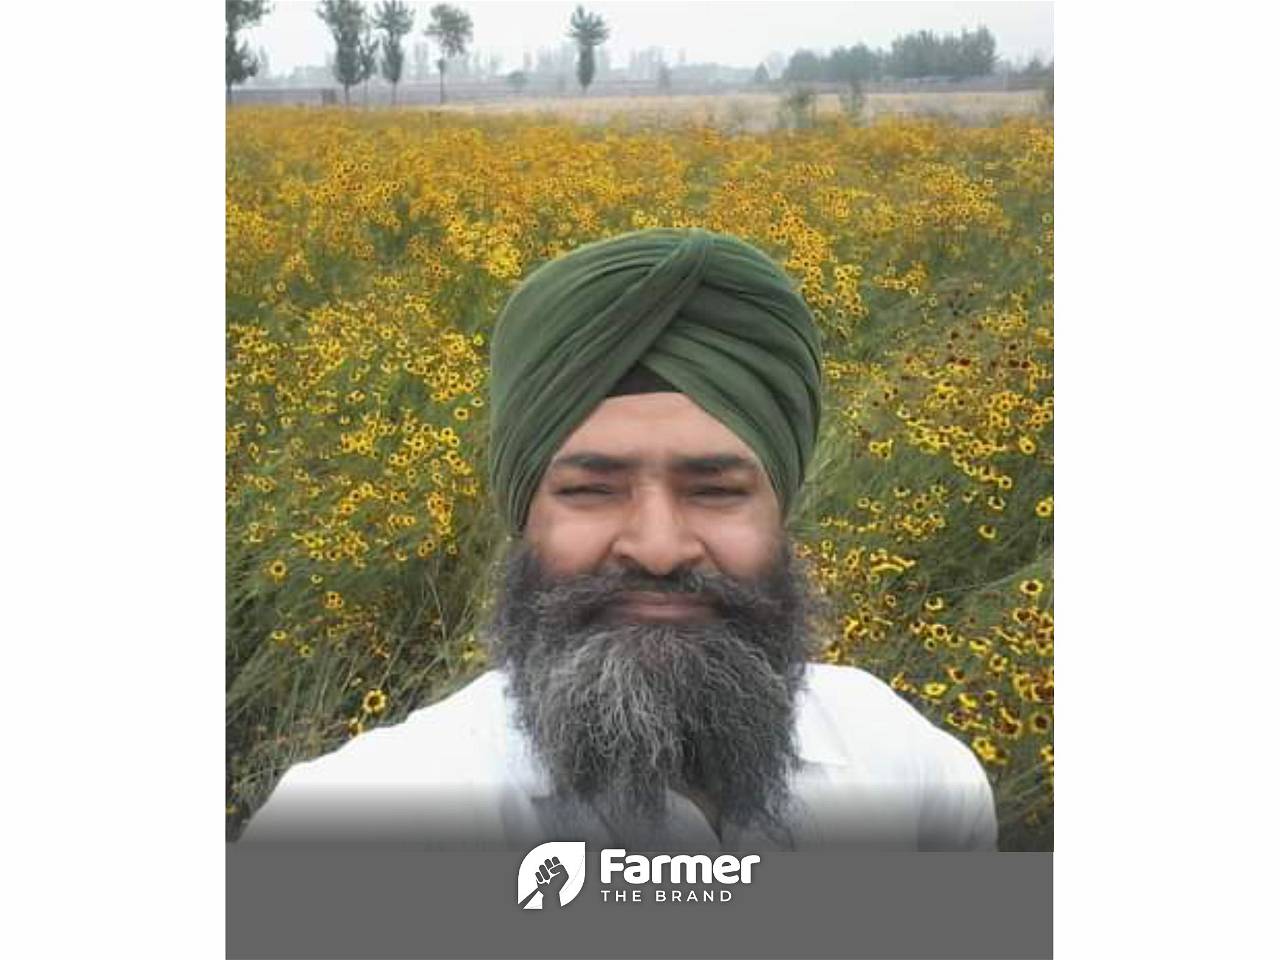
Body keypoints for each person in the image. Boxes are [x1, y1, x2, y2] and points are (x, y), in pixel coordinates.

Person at [241, 227, 998, 851]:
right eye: (592, 490)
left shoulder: (912, 775)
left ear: (781, 512)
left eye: (715, 490)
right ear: (523, 515)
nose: (659, 547)